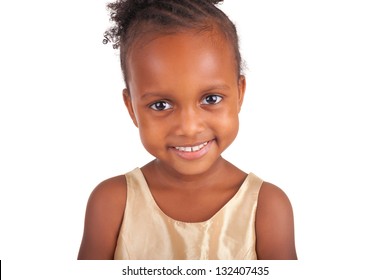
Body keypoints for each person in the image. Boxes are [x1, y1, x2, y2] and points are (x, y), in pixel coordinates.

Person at [78, 0, 297, 260]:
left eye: (211, 99)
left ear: (239, 94)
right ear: (131, 108)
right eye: (161, 105)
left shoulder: (267, 207)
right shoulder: (112, 204)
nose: (189, 127)